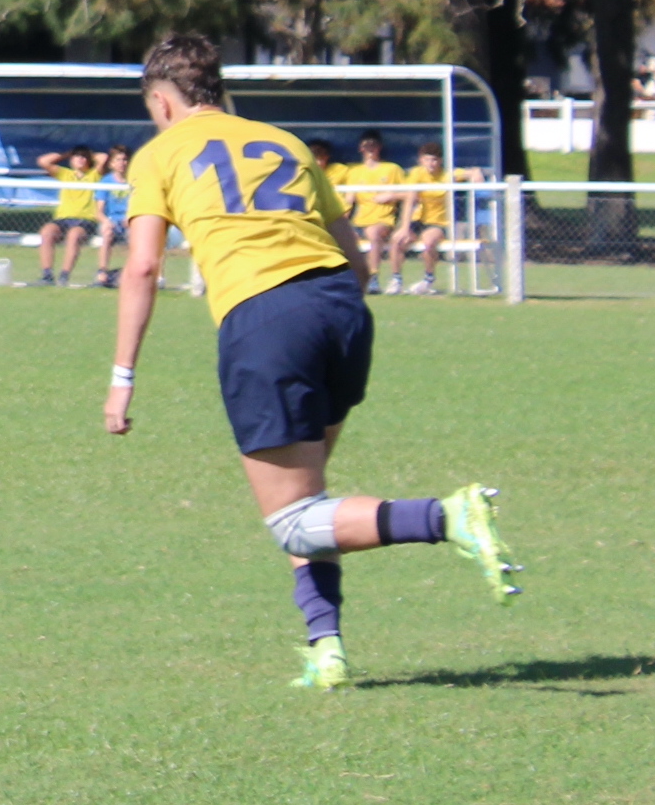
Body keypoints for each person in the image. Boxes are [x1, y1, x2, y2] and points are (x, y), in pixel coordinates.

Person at [103, 34, 520, 690]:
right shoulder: (285, 142)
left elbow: (145, 265)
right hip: (340, 310)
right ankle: (326, 648)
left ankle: (447, 515)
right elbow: (356, 259)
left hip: (266, 319)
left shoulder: (159, 154)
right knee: (312, 503)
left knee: (292, 520)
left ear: (161, 100)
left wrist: (122, 377)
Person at [394, 141, 484, 294]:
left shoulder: (447, 175)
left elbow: (471, 173)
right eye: (427, 159)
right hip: (418, 221)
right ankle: (396, 279)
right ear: (421, 160)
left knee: (429, 242)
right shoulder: (416, 174)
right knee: (397, 239)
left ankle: (428, 278)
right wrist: (404, 227)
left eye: (434, 160)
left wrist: (476, 173)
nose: (431, 163)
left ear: (440, 161)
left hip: (438, 222)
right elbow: (410, 200)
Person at [339, 129, 408, 294]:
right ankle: (347, 278)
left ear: (379, 148)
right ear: (360, 149)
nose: (370, 150)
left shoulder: (392, 169)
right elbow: (349, 199)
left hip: (382, 220)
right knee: (343, 239)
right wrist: (341, 221)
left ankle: (374, 277)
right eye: (366, 146)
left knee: (373, 233)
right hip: (360, 221)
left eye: (373, 146)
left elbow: (409, 193)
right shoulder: (354, 172)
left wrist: (391, 195)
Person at [36, 145, 105, 286]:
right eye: (77, 156)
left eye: (83, 157)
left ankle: (64, 275)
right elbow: (43, 161)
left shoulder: (94, 175)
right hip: (63, 218)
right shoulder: (65, 174)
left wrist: (88, 154)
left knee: (74, 235)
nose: (80, 159)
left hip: (85, 220)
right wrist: (66, 154)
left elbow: (104, 158)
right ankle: (47, 275)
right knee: (47, 231)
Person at [93, 144, 132, 287]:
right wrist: (106, 221)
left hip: (129, 221)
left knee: (135, 235)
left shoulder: (134, 180)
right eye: (118, 160)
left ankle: (130, 272)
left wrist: (130, 219)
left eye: (124, 160)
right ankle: (102, 271)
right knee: (107, 233)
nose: (122, 163)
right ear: (111, 163)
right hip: (112, 221)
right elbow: (98, 211)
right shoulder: (106, 181)